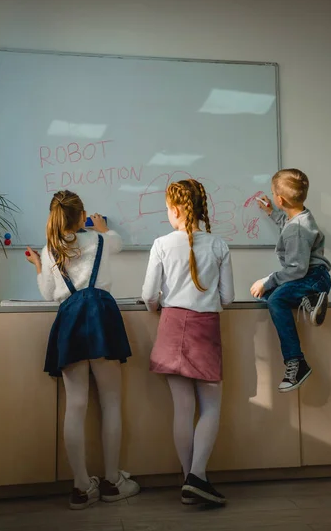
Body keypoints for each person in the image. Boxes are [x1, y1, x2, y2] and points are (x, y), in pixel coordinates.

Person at [26, 189, 139, 509]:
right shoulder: (103, 240)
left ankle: (80, 487)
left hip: (70, 320)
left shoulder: (51, 249)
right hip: (102, 316)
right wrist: (102, 228)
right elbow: (116, 240)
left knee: (75, 406)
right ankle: (113, 481)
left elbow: (49, 294)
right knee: (111, 402)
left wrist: (37, 265)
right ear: (82, 217)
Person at [142, 179, 234, 505]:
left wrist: (160, 306)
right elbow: (228, 297)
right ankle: (197, 478)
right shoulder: (219, 245)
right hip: (205, 328)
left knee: (183, 410)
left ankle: (190, 481)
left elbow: (148, 296)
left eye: (168, 207)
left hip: (170, 325)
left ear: (177, 209)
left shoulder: (161, 244)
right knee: (210, 408)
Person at [250, 169, 331, 392]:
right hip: (312, 278)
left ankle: (296, 362)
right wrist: (273, 213)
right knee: (269, 297)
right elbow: (290, 228)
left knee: (275, 299)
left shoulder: (297, 229)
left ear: (280, 199)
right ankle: (310, 300)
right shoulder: (300, 218)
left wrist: (267, 280)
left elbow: (296, 269)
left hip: (312, 278)